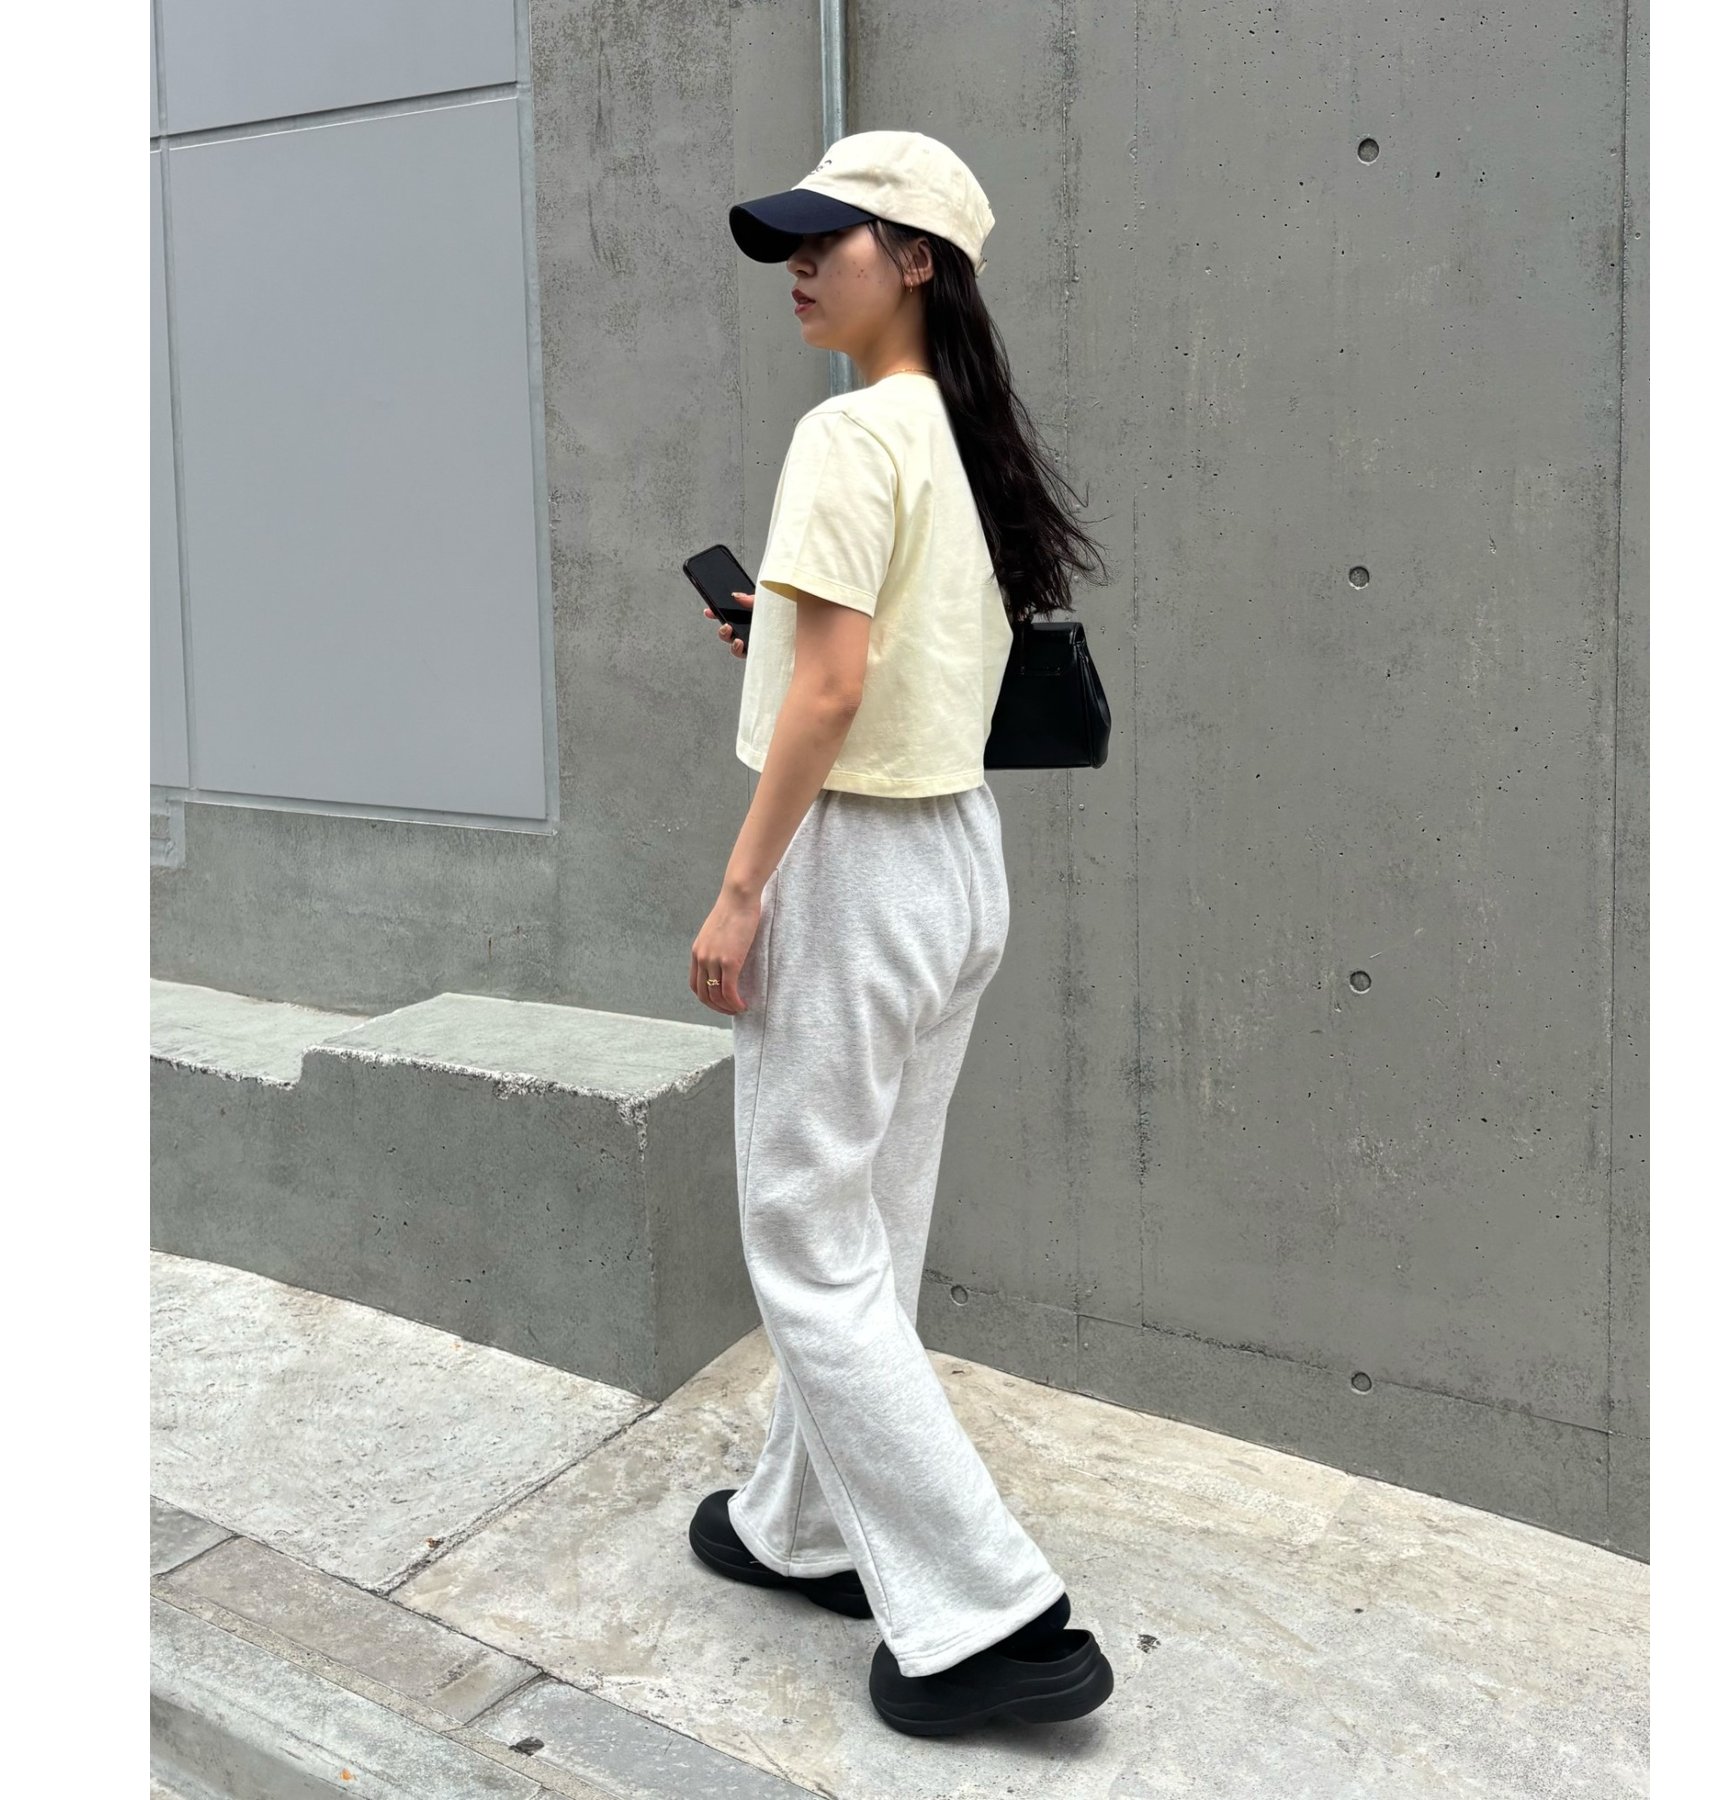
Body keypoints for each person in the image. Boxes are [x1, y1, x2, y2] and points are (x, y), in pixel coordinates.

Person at [684, 130, 1113, 1737]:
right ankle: (800, 1524)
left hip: (857, 866)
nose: (801, 268)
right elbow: (881, 653)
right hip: (958, 861)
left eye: (833, 241)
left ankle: (996, 1617)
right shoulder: (967, 436)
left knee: (806, 1239)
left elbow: (835, 690)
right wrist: (776, 629)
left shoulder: (850, 432)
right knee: (876, 1222)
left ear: (918, 260)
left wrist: (742, 892)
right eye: (790, 245)